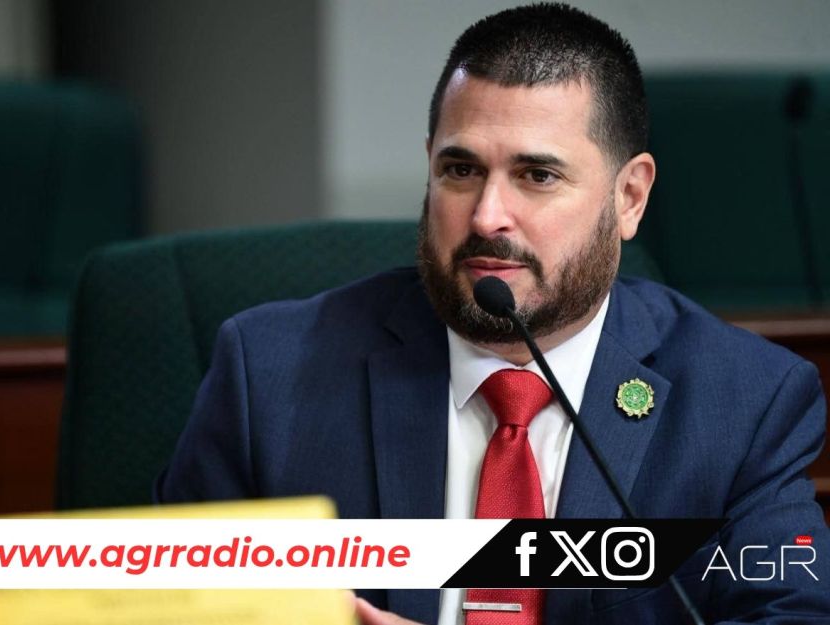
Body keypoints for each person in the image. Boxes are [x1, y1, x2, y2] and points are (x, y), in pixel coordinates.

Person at [156, 3, 830, 624]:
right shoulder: (269, 379)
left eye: (537, 175)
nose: (486, 217)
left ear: (629, 197)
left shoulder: (744, 403)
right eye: (461, 170)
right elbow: (170, 610)